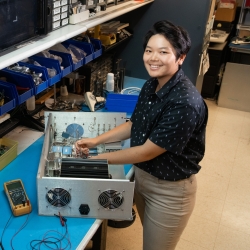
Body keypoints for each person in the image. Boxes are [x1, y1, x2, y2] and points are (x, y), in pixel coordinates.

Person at [75, 20, 208, 250]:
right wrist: (96, 140)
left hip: (170, 191)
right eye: (149, 50)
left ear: (181, 57)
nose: (153, 58)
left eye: (163, 52)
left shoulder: (184, 102)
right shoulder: (151, 85)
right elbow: (135, 124)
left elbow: (147, 151)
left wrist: (94, 160)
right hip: (143, 179)